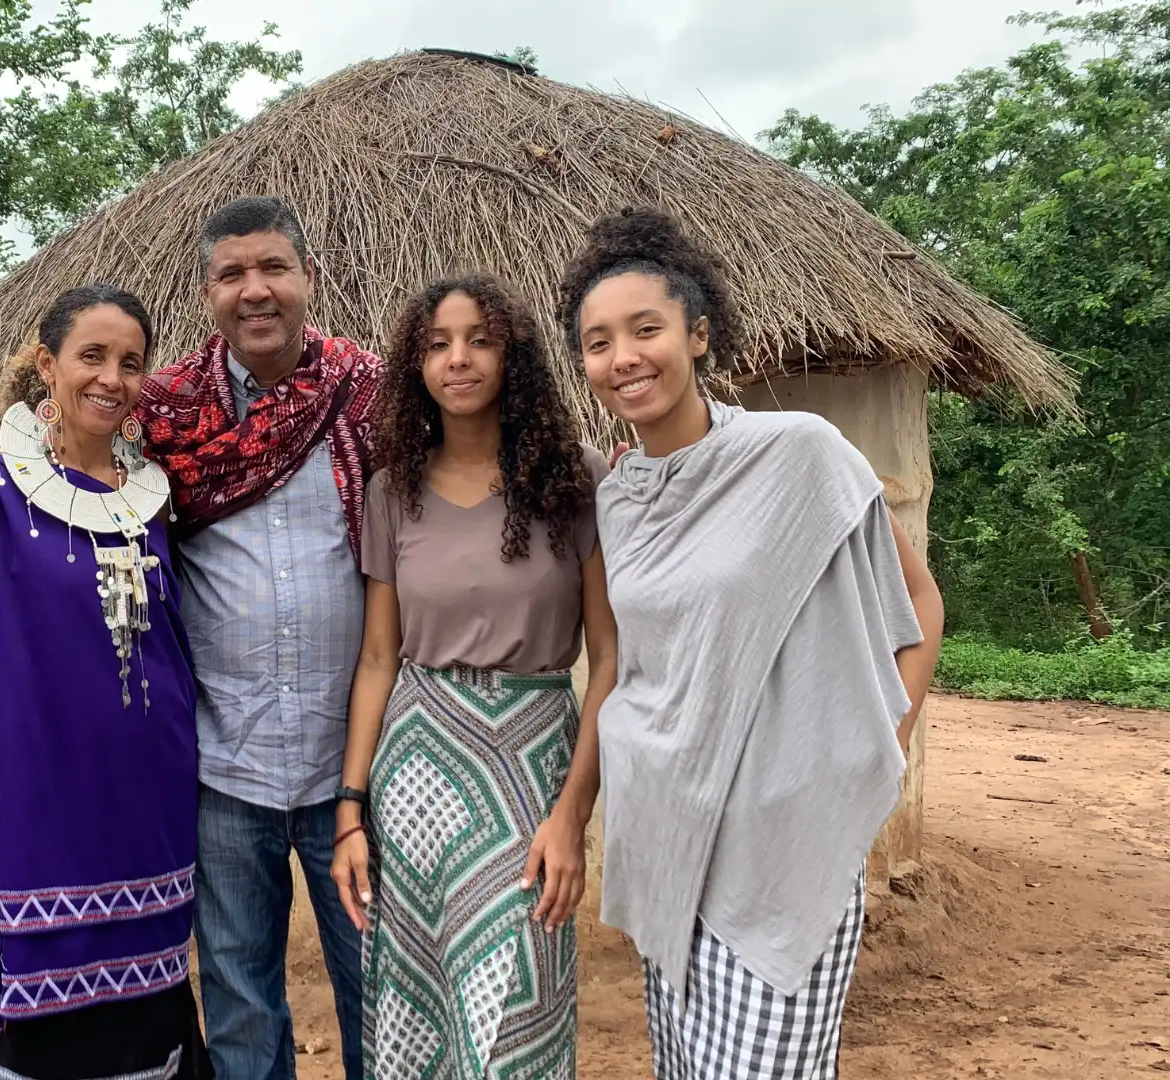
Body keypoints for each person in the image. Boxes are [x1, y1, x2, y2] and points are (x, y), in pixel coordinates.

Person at [557, 208, 945, 1080]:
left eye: (646, 329)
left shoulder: (800, 454)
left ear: (698, 334)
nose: (624, 357)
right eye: (598, 342)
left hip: (782, 847)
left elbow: (920, 600)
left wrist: (880, 748)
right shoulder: (619, 498)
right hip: (668, 841)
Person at [0, 283, 211, 1079]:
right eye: (92, 356)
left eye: (131, 363)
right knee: (43, 1043)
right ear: (48, 365)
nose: (112, 378)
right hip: (35, 820)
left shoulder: (155, 502)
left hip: (150, 814)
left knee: (149, 1030)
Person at [329, 275, 613, 1079]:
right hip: (416, 772)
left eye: (479, 340)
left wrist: (573, 815)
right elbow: (378, 658)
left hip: (531, 764)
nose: (458, 359)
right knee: (418, 1005)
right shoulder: (392, 491)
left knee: (516, 1003)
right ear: (416, 365)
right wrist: (350, 810)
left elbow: (610, 659)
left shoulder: (577, 480)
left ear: (512, 356)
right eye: (438, 344)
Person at [137, 195, 382, 1080]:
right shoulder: (162, 418)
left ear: (309, 276)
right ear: (207, 293)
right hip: (223, 768)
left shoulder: (371, 394)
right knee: (240, 1007)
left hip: (354, 771)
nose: (255, 290)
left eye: (274, 267)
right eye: (232, 274)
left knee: (379, 994)